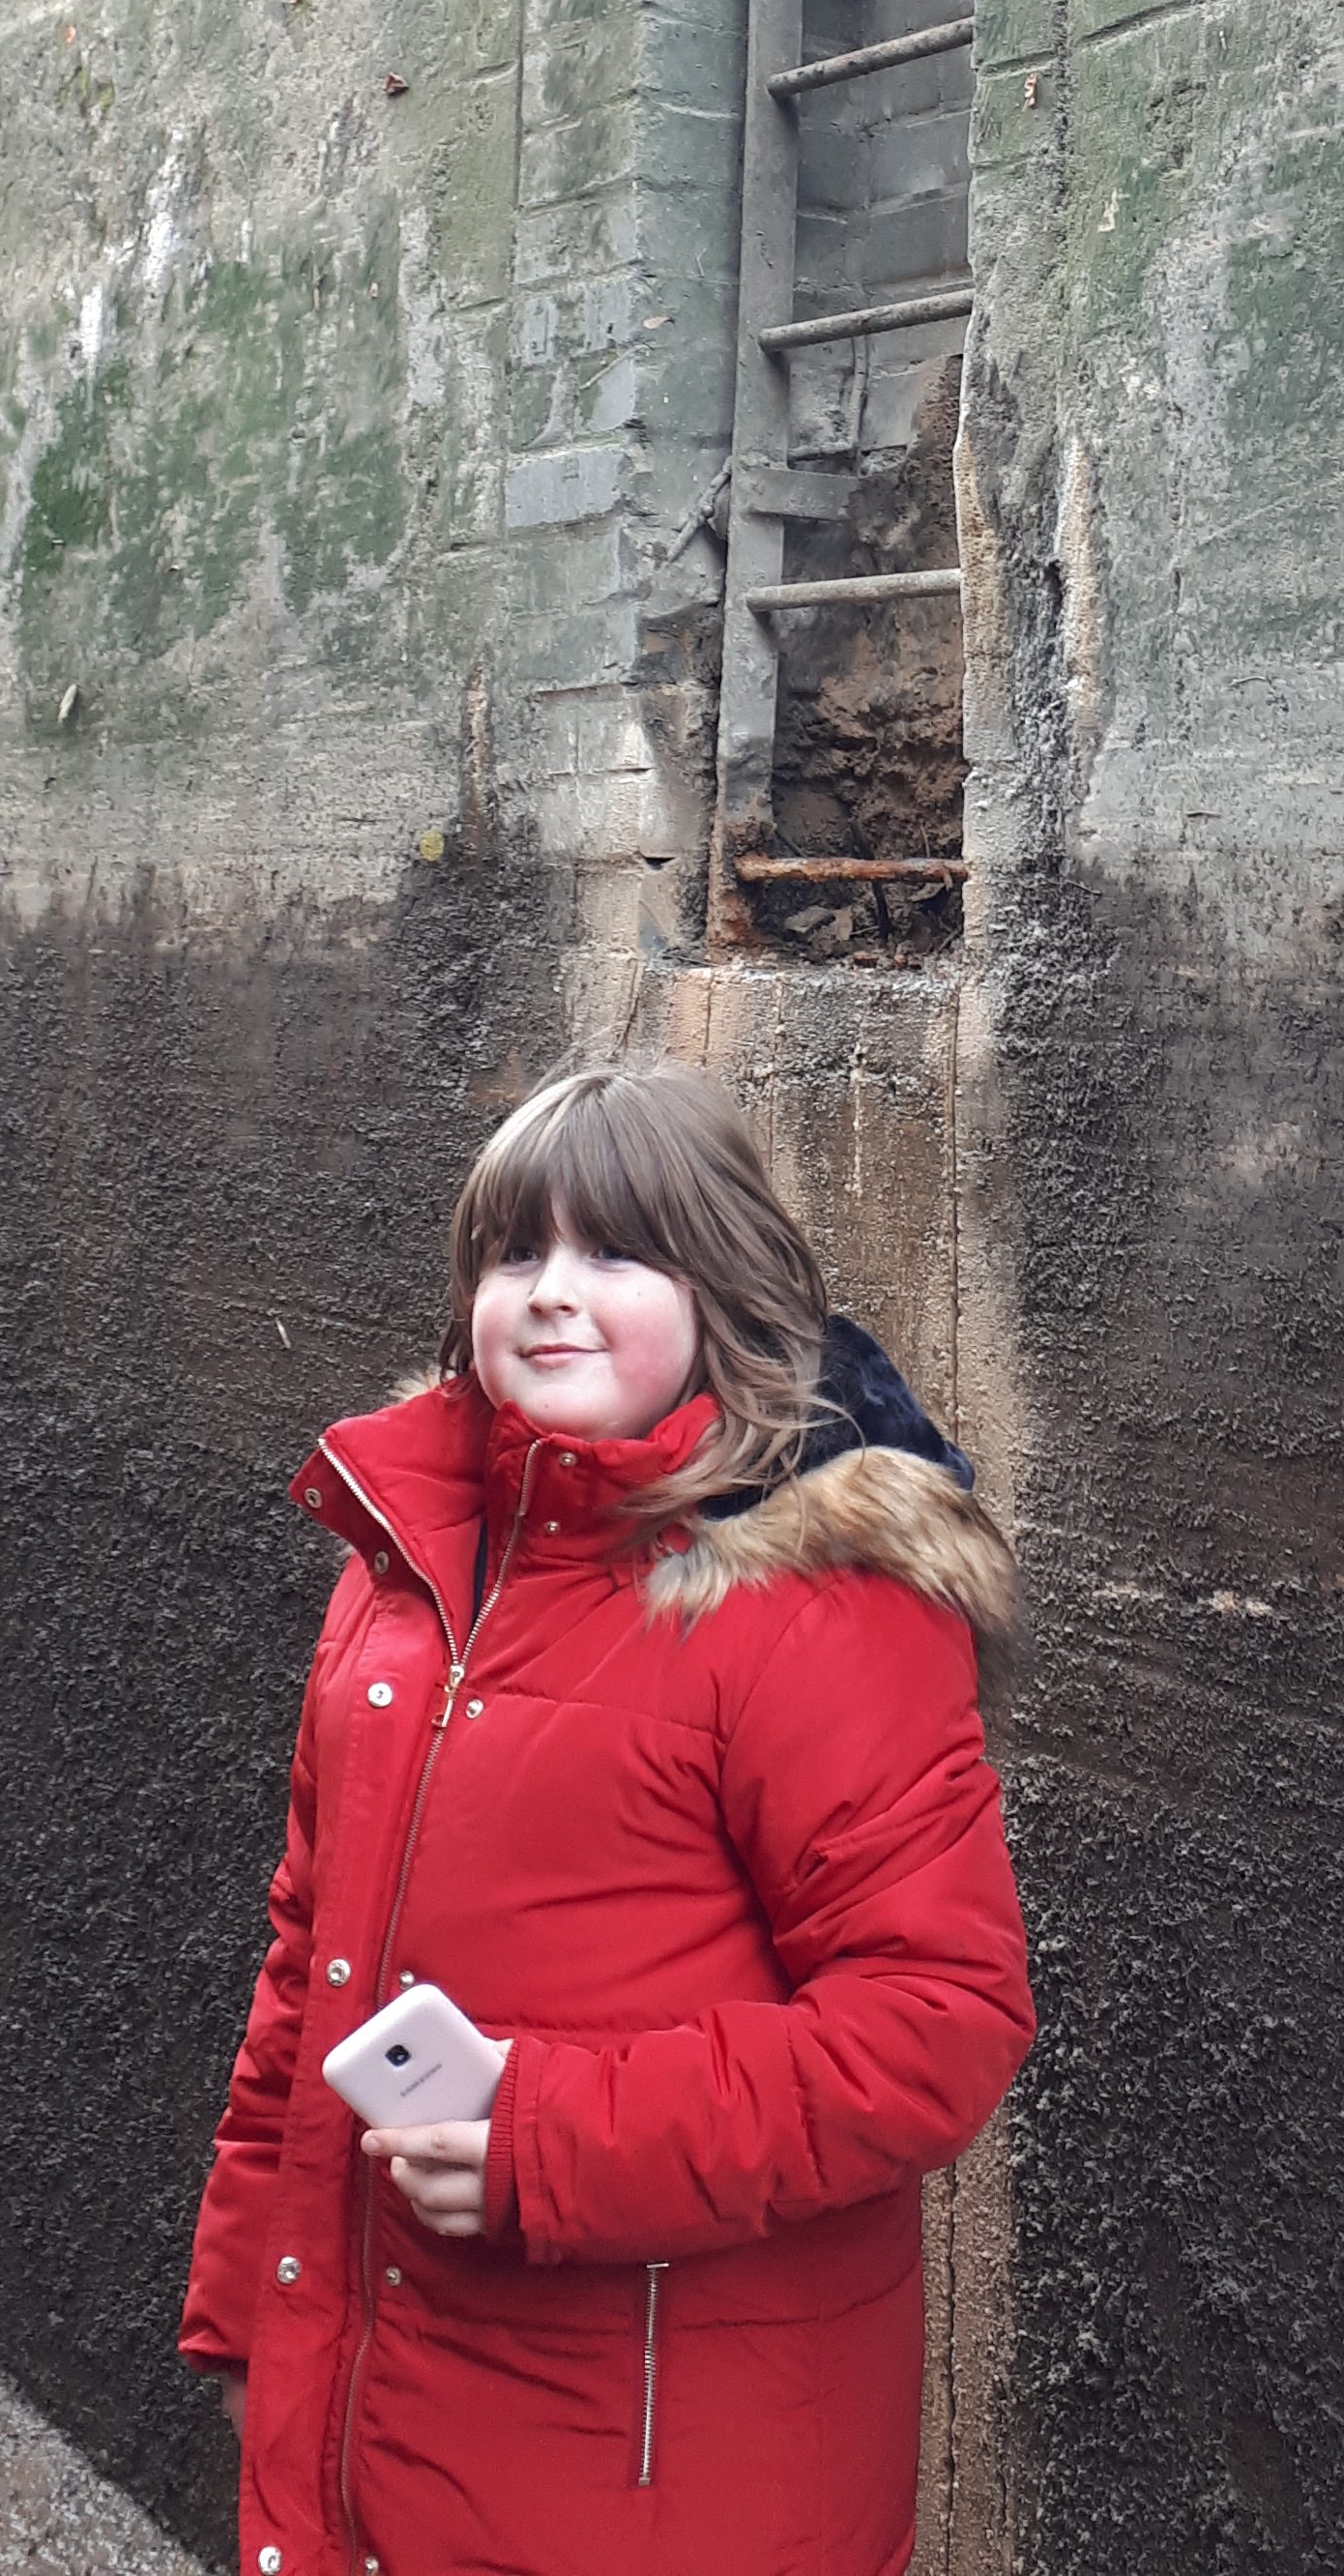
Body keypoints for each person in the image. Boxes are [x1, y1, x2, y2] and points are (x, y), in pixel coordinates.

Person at [183, 1058, 1031, 2576]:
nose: (553, 1293)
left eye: (617, 1252)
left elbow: (937, 2023)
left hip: (671, 2467)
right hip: (393, 2406)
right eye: (517, 1252)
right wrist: (258, 2308)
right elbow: (308, 1970)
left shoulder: (819, 1610)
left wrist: (551, 2137)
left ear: (722, 1289)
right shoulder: (405, 1578)